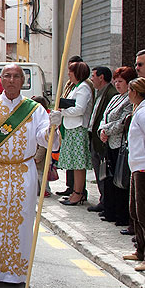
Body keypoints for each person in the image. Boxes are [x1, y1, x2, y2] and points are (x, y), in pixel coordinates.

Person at [0, 63, 59, 288]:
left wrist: (53, 128)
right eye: (7, 75)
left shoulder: (34, 110)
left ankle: (16, 273)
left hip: (23, 173)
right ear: (1, 79)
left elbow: (44, 138)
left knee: (21, 223)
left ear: (23, 81)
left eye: (16, 76)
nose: (11, 80)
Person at [99, 67, 136, 225]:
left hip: (120, 144)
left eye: (121, 81)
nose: (117, 84)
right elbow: (104, 116)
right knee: (109, 178)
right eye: (116, 81)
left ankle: (121, 215)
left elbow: (123, 122)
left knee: (120, 180)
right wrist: (102, 130)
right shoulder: (115, 98)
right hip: (108, 142)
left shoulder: (129, 99)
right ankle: (110, 211)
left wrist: (106, 130)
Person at [55, 61, 95, 206]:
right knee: (74, 163)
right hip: (71, 128)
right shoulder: (76, 87)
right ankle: (75, 191)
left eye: (70, 72)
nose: (68, 74)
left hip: (78, 128)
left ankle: (78, 193)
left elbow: (79, 109)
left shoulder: (83, 88)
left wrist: (63, 112)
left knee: (78, 164)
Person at [123, 77, 145, 270]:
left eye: (130, 90)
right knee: (134, 211)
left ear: (136, 92)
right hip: (136, 166)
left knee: (144, 212)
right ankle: (140, 249)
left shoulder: (144, 112)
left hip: (144, 167)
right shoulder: (138, 109)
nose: (128, 94)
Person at [87, 66, 118, 212]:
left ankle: (106, 202)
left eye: (93, 76)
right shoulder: (99, 93)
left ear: (101, 77)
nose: (91, 79)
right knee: (99, 171)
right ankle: (103, 200)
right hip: (95, 137)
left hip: (104, 140)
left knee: (104, 173)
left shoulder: (111, 94)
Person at [32, 95, 52, 197]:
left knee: (41, 174)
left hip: (40, 156)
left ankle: (45, 189)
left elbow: (43, 144)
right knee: (36, 174)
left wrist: (38, 156)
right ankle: (37, 190)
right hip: (34, 154)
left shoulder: (44, 120)